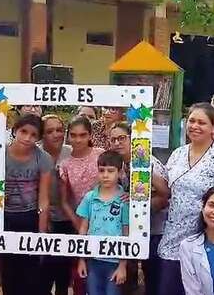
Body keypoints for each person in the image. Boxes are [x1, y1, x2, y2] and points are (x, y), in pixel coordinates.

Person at [158, 102, 214, 295]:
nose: (195, 126)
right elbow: (166, 191)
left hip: (208, 241)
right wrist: (142, 164)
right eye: (192, 121)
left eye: (202, 123)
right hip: (173, 241)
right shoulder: (177, 154)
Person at [109, 122, 170, 295]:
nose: (117, 143)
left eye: (122, 138)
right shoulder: (120, 164)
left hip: (155, 229)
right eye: (113, 140)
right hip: (132, 229)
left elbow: (166, 195)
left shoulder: (146, 161)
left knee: (152, 276)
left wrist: (137, 204)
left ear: (132, 139)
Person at [1, 113, 52, 295]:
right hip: (4, 216)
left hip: (29, 215)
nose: (27, 138)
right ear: (15, 131)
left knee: (30, 270)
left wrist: (41, 232)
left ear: (38, 138)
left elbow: (44, 198)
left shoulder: (43, 158)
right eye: (24, 132)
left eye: (33, 135)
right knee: (8, 269)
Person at [60, 116, 104, 295]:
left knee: (104, 268)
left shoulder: (101, 155)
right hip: (81, 222)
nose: (78, 140)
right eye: (74, 135)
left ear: (90, 135)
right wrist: (78, 224)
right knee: (81, 271)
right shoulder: (65, 165)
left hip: (108, 220)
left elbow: (118, 182)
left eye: (83, 135)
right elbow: (64, 200)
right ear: (68, 136)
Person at [76, 150, 129, 295]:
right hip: (93, 259)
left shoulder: (124, 201)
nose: (105, 175)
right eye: (101, 170)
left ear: (119, 172)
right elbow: (83, 229)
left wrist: (123, 265)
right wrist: (81, 259)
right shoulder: (90, 198)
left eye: (110, 171)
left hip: (115, 261)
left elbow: (126, 232)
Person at [39, 114, 73, 295]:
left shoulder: (71, 151)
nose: (56, 134)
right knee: (43, 272)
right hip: (41, 218)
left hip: (68, 218)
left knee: (63, 272)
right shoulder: (35, 152)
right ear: (42, 135)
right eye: (49, 131)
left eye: (59, 130)